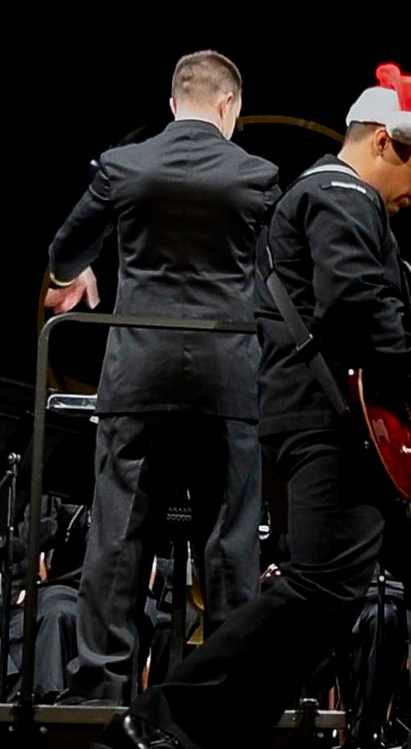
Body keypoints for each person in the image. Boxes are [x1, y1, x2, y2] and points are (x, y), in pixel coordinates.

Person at [90, 64, 411, 749]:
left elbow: (363, 312)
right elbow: (351, 304)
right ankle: (158, 723)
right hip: (332, 425)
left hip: (353, 425)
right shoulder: (339, 194)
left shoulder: (343, 201)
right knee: (324, 586)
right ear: (385, 139)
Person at [46, 50, 278, 703]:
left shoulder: (124, 165)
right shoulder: (257, 174)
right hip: (226, 375)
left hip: (138, 373)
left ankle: (100, 684)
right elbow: (274, 280)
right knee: (229, 537)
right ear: (230, 105)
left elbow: (64, 250)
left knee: (119, 527)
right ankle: (227, 689)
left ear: (173, 103)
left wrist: (76, 275)